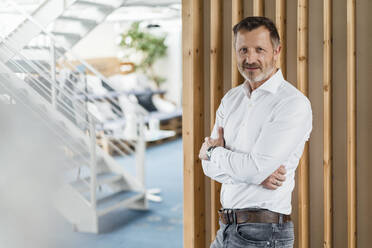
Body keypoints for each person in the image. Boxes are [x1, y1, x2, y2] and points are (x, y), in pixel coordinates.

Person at [199, 16, 312, 248]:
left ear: (276, 51)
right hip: (226, 228)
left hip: (263, 234)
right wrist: (252, 173)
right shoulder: (230, 99)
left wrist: (213, 152)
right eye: (243, 50)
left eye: (259, 50)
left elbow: (250, 167)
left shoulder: (292, 103)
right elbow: (207, 167)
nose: (250, 59)